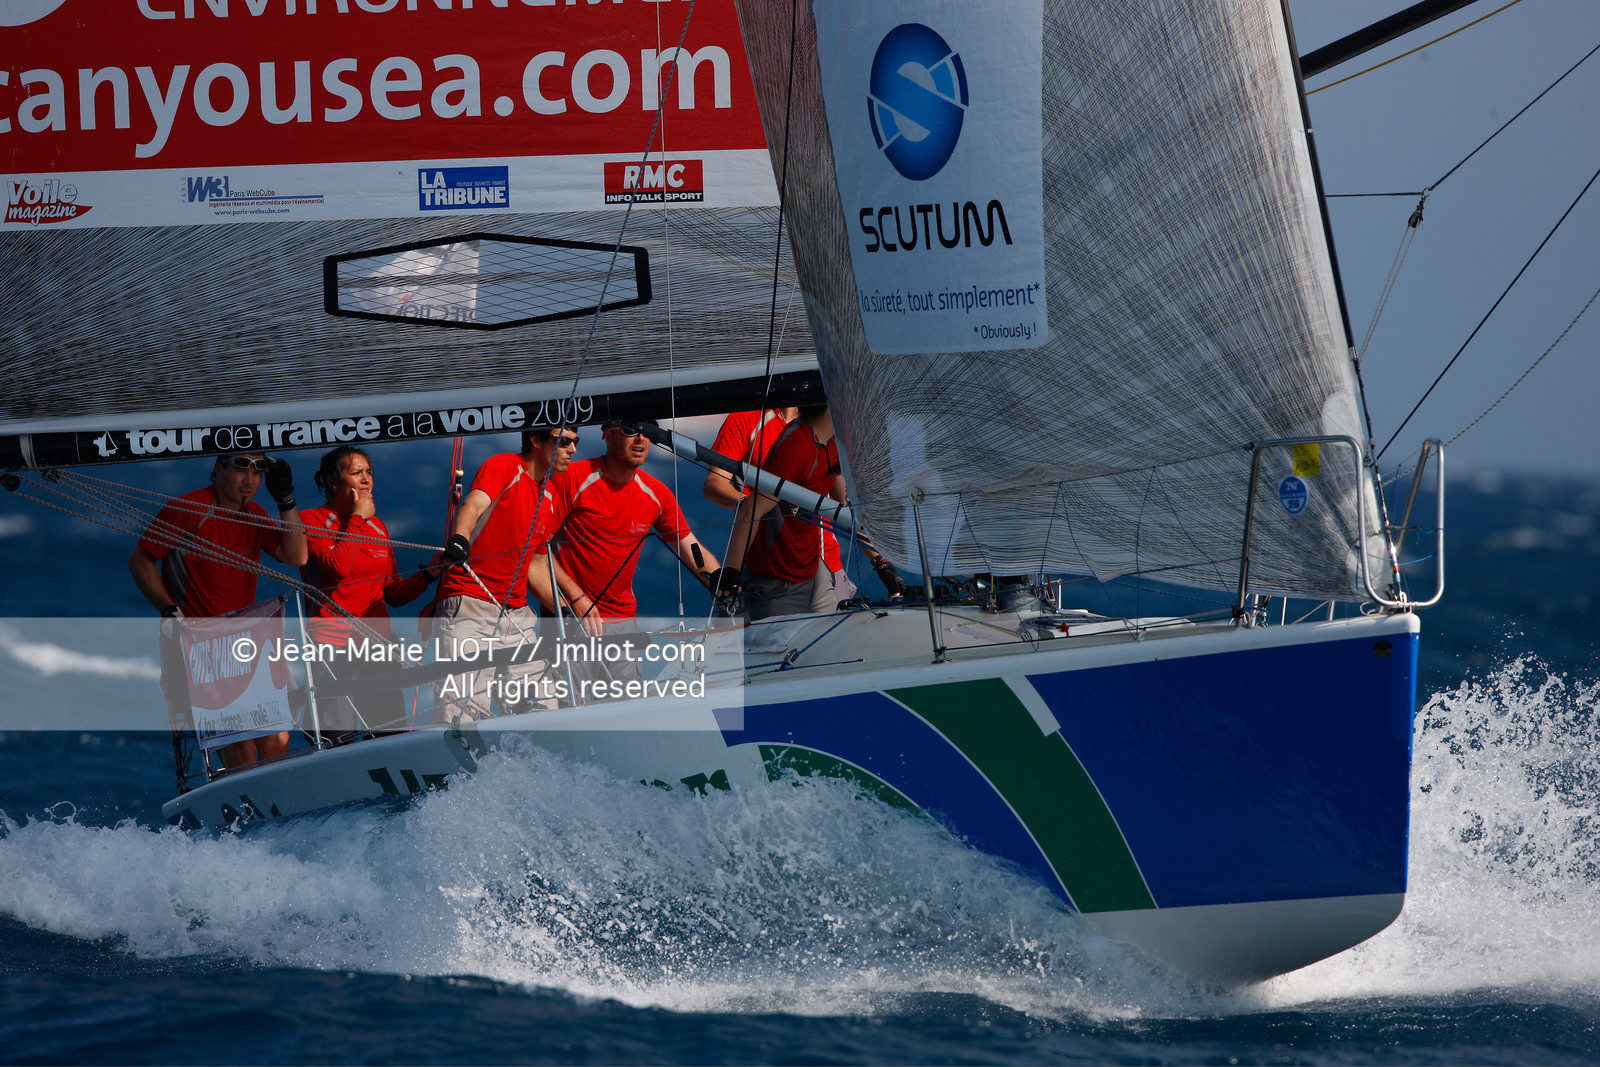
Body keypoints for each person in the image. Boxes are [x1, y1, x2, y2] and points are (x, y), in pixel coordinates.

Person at [129, 452, 308, 769]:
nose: (249, 480)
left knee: (278, 741)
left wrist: (286, 500)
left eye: (257, 472)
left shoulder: (254, 514)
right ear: (218, 469)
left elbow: (296, 557)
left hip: (247, 647)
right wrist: (169, 611)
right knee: (241, 751)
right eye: (241, 469)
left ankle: (277, 799)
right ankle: (245, 802)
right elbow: (141, 561)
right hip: (203, 653)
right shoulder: (189, 508)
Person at [530, 419, 730, 696]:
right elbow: (537, 548)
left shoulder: (657, 494)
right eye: (630, 430)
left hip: (623, 625)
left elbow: (690, 546)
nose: (640, 438)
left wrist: (722, 584)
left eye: (647, 432)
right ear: (607, 435)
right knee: (566, 710)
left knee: (621, 713)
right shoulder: (570, 478)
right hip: (570, 619)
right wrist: (576, 600)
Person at [432, 426, 579, 722]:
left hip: (517, 617)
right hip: (470, 608)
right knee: (462, 720)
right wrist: (460, 538)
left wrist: (564, 609)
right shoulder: (503, 465)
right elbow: (473, 504)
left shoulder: (549, 495)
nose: (572, 450)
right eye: (563, 441)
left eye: (576, 442)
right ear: (535, 440)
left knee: (545, 712)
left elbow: (536, 564)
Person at [299, 446, 444, 740]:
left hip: (379, 644)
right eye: (356, 473)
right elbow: (338, 566)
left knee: (389, 738)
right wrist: (358, 518)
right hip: (333, 646)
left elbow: (392, 594)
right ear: (333, 481)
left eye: (369, 472)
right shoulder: (311, 519)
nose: (366, 480)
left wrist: (429, 574)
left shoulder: (377, 526)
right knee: (338, 741)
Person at [720, 406, 905, 621]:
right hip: (777, 580)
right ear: (830, 404)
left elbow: (844, 508)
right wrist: (731, 571)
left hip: (811, 571)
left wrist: (881, 563)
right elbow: (750, 510)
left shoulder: (830, 443)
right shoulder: (796, 447)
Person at [704, 407, 856, 611]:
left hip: (822, 565)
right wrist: (758, 505)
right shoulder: (777, 432)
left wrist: (880, 562)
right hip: (777, 569)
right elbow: (714, 485)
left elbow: (846, 504)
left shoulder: (827, 435)